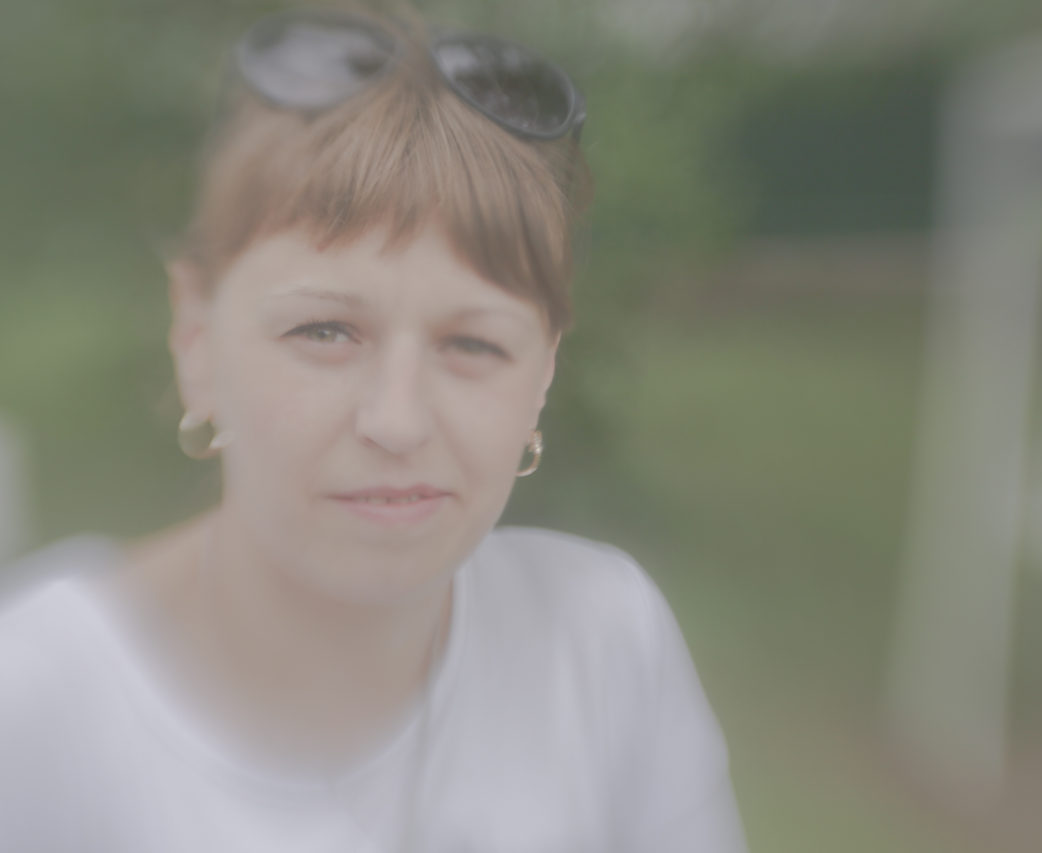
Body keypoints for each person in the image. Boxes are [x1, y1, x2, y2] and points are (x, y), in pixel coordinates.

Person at [0, 6, 748, 852]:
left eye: (473, 343)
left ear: (543, 371)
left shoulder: (602, 644)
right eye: (324, 331)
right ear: (197, 338)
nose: (396, 420)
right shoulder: (31, 710)